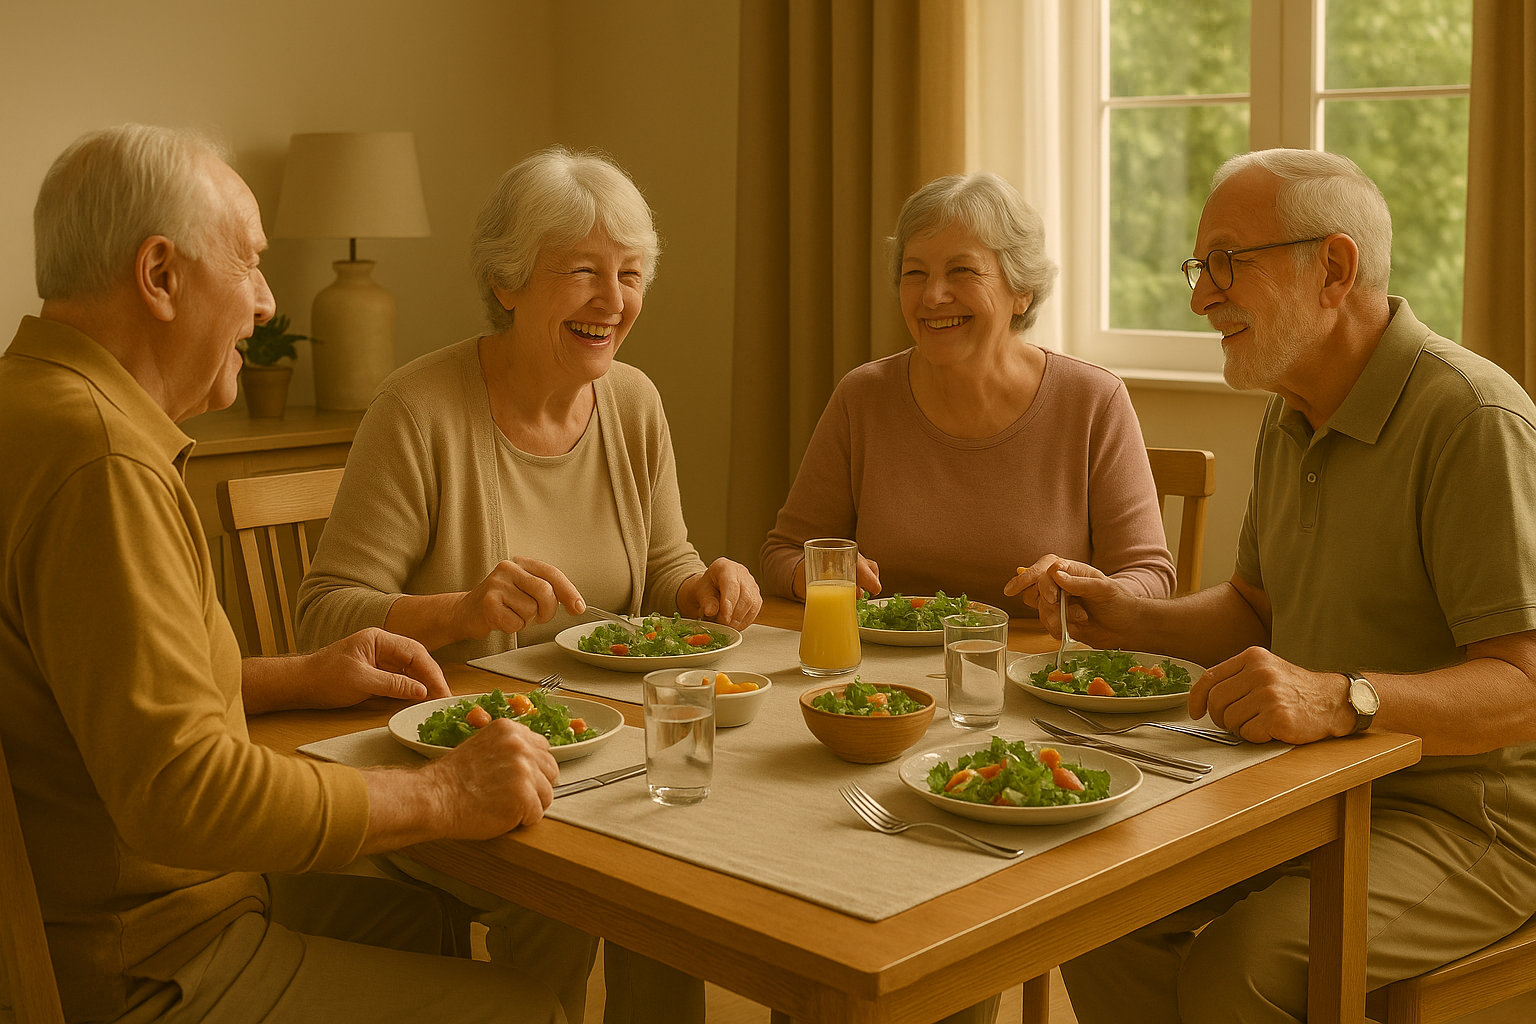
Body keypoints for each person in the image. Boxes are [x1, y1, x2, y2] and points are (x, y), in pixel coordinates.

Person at [0, 125, 566, 1022]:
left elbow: (100, 700)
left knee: (414, 912)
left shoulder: (30, 401)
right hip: (155, 967)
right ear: (159, 275)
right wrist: (441, 791)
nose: (266, 303)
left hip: (136, 918)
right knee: (528, 1010)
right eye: (251, 264)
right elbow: (181, 793)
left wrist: (296, 675)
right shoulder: (101, 458)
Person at [1009, 149, 1536, 1024]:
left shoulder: (1473, 420)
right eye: (1198, 267)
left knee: (1239, 967)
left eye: (1226, 263)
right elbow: (1255, 609)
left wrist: (1342, 699)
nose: (1199, 296)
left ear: (1333, 268)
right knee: (1095, 905)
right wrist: (1130, 615)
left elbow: (1523, 688)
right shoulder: (1289, 410)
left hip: (1470, 821)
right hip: (1307, 788)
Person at [295, 146, 755, 1023]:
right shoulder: (419, 409)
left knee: (680, 855)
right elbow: (323, 614)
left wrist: (703, 586)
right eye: (581, 272)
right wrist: (461, 610)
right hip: (450, 761)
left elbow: (664, 570)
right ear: (507, 284)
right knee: (585, 876)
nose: (611, 301)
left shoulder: (634, 402)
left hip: (601, 749)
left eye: (627, 274)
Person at [759, 171, 1174, 614]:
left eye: (962, 270)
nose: (933, 296)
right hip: (884, 674)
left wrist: (1085, 588)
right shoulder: (863, 396)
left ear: (1022, 291)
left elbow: (1149, 574)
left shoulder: (1094, 400)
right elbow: (784, 553)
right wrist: (819, 573)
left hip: (1035, 669)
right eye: (915, 272)